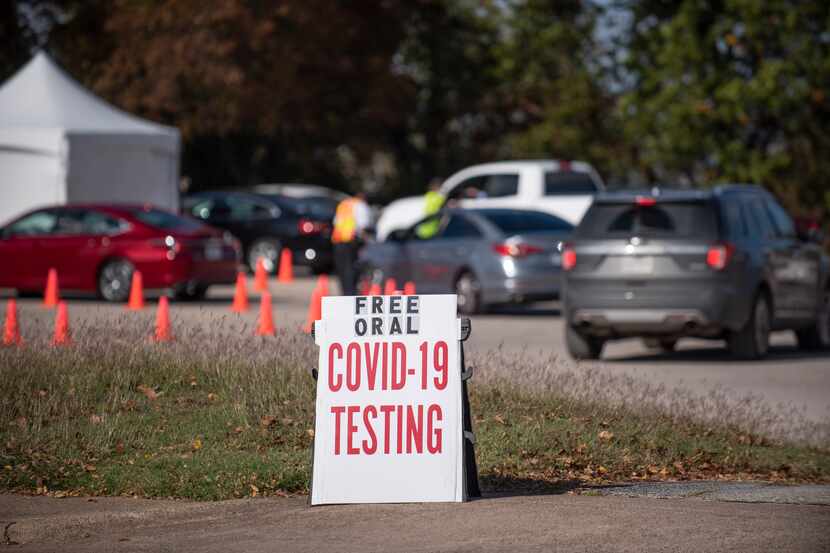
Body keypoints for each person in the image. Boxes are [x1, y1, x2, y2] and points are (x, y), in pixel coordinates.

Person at [331, 191, 371, 295]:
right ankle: (351, 293)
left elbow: (336, 222)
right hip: (351, 240)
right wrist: (366, 240)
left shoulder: (344, 204)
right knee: (351, 268)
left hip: (338, 240)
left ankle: (344, 292)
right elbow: (363, 226)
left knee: (342, 269)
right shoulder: (361, 205)